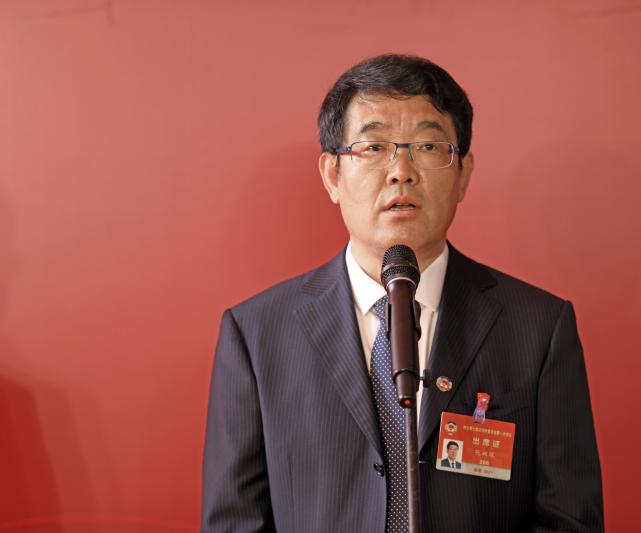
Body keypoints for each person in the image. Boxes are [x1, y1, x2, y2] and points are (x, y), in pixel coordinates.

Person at [201, 54, 603, 533]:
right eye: (373, 147)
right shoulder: (256, 334)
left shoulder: (537, 328)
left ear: (463, 174)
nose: (401, 171)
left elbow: (569, 520)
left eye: (428, 146)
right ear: (333, 175)